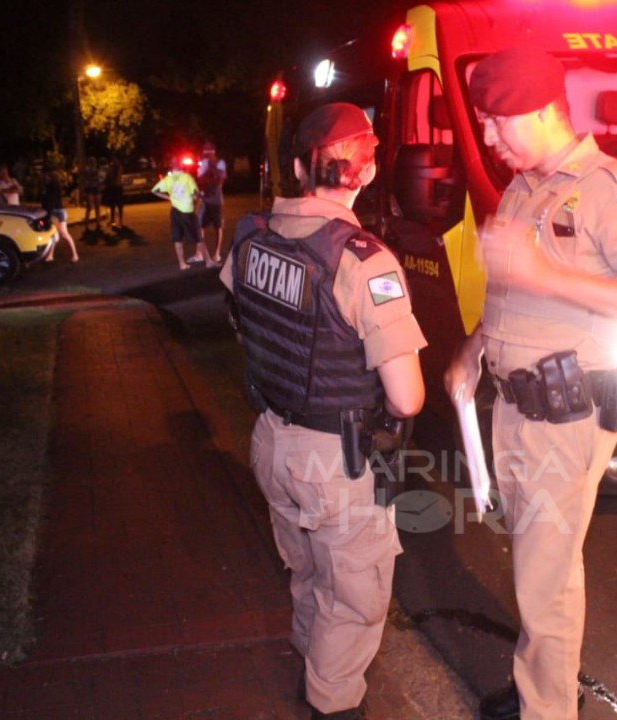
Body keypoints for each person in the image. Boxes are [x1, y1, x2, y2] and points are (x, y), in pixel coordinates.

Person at [443, 48, 617, 720]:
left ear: (545, 111)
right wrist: (473, 351)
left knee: (544, 581)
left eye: (497, 122)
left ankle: (546, 711)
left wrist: (546, 274)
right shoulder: (524, 188)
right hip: (516, 410)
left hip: (568, 413)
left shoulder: (610, 188)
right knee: (533, 566)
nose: (488, 137)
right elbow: (512, 301)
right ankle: (539, 689)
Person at [220, 102, 426, 720]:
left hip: (270, 441)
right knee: (353, 599)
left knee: (307, 573)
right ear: (362, 172)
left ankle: (312, 667)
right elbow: (407, 397)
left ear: (295, 167)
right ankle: (331, 705)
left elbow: (245, 328)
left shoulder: (250, 235)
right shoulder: (364, 260)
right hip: (335, 461)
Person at [152, 157, 216, 270]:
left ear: (172, 166)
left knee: (177, 237)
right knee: (197, 237)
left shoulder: (168, 179)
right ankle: (208, 261)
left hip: (175, 210)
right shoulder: (187, 178)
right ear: (180, 165)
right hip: (187, 210)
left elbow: (155, 190)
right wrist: (197, 197)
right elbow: (195, 194)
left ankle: (182, 263)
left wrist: (169, 197)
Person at [194, 141, 228, 263]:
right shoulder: (203, 163)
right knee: (199, 225)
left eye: (209, 150)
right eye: (205, 150)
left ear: (213, 151)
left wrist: (209, 175)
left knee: (218, 226)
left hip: (216, 200)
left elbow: (219, 181)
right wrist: (209, 178)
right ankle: (200, 253)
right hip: (205, 199)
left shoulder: (220, 163)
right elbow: (200, 180)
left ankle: (217, 253)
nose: (206, 153)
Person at [41, 169, 80, 262]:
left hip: (57, 212)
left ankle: (75, 254)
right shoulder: (51, 186)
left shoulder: (53, 186)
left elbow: (51, 201)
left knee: (64, 234)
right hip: (56, 212)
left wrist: (47, 212)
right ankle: (50, 255)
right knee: (54, 234)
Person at [81, 156, 103, 229]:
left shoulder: (96, 170)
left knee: (97, 206)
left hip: (96, 189)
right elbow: (84, 180)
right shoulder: (87, 170)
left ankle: (98, 223)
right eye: (92, 162)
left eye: (94, 162)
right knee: (89, 206)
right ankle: (87, 224)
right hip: (90, 189)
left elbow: (99, 180)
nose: (94, 163)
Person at [103, 156, 125, 227]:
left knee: (119, 204)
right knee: (112, 205)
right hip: (113, 187)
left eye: (115, 159)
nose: (114, 161)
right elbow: (108, 175)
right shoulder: (111, 167)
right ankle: (113, 220)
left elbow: (117, 176)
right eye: (113, 159)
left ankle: (120, 220)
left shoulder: (119, 167)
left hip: (117, 187)